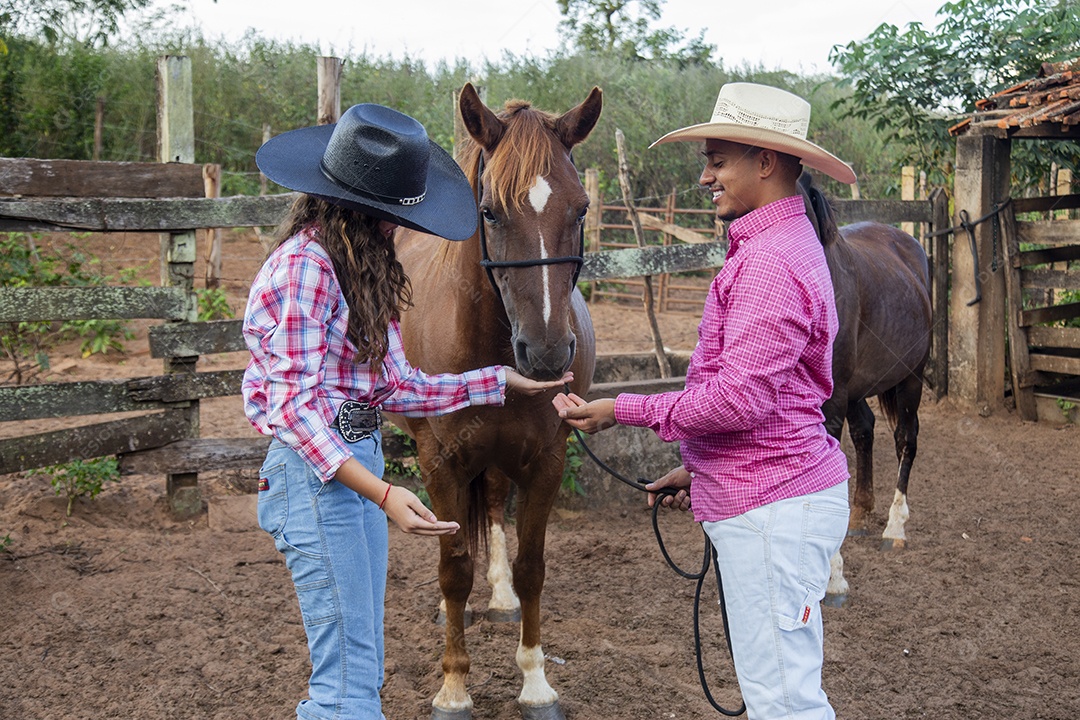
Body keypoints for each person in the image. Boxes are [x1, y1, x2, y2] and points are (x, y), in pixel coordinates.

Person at [242, 103, 571, 720]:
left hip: (353, 463)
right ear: (358, 208)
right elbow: (292, 408)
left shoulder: (363, 268)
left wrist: (497, 380)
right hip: (317, 477)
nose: (403, 227)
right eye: (396, 216)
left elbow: (397, 388)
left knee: (359, 660)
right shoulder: (305, 268)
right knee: (345, 678)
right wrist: (385, 494)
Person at [553, 83, 855, 720]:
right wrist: (701, 467)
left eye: (717, 160)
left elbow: (740, 399)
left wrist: (621, 409)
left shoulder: (771, 260)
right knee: (781, 688)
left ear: (766, 162)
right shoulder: (774, 246)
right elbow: (775, 396)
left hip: (775, 505)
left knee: (784, 701)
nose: (704, 176)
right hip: (774, 492)